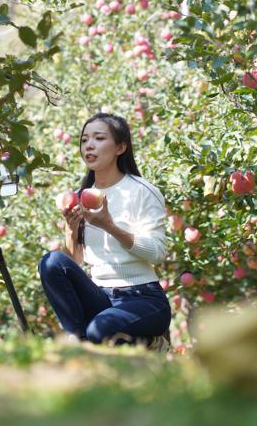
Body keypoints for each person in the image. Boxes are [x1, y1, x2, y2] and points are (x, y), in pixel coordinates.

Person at [39, 112, 171, 347]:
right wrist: (71, 229)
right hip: (100, 295)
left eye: (99, 138)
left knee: (99, 329)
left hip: (142, 298)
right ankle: (82, 343)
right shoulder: (81, 195)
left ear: (120, 147)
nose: (89, 145)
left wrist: (109, 226)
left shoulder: (141, 191)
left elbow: (157, 253)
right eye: (84, 140)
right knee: (52, 262)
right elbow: (76, 261)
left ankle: (149, 343)